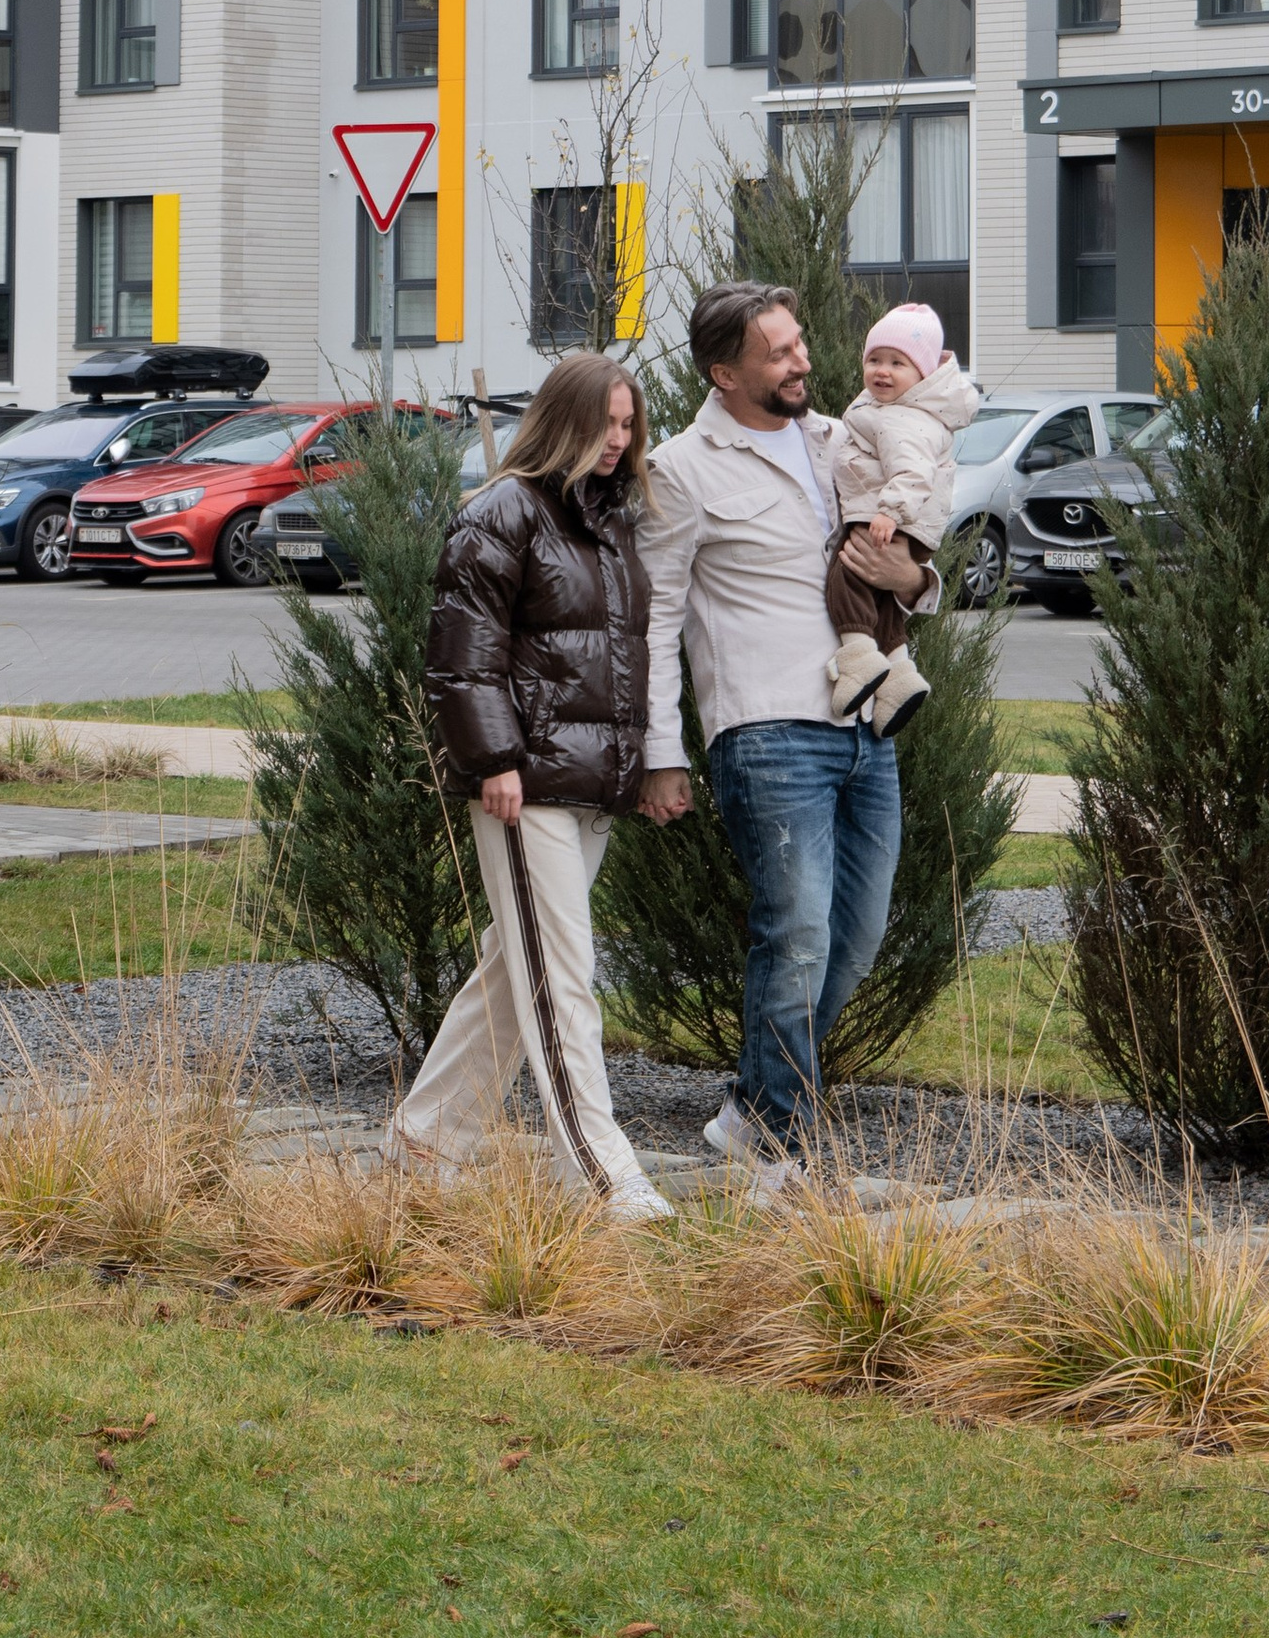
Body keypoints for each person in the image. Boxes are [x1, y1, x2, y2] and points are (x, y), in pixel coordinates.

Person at [639, 281, 936, 1180]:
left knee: (855, 937)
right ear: (723, 372)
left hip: (865, 719)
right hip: (765, 731)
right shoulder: (682, 470)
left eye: (800, 343)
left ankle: (749, 1112)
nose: (803, 360)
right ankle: (782, 1151)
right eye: (778, 352)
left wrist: (914, 581)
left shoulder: (842, 440)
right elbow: (655, 620)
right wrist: (662, 752)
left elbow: (914, 568)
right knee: (797, 932)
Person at [388, 353, 691, 1219]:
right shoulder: (500, 513)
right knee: (564, 978)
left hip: (588, 784)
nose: (619, 442)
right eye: (606, 425)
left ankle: (425, 1138)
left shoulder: (609, 522)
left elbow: (620, 659)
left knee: (510, 973)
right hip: (524, 788)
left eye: (629, 427)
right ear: (566, 420)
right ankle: (603, 1174)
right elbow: (462, 659)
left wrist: (635, 770)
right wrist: (494, 763)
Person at [825, 303, 978, 737]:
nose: (883, 371)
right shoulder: (895, 408)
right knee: (882, 598)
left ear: (924, 375)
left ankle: (858, 658)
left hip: (890, 519)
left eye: (898, 363)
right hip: (907, 523)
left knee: (848, 575)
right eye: (874, 359)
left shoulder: (904, 418)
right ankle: (899, 673)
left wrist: (889, 513)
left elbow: (913, 471)